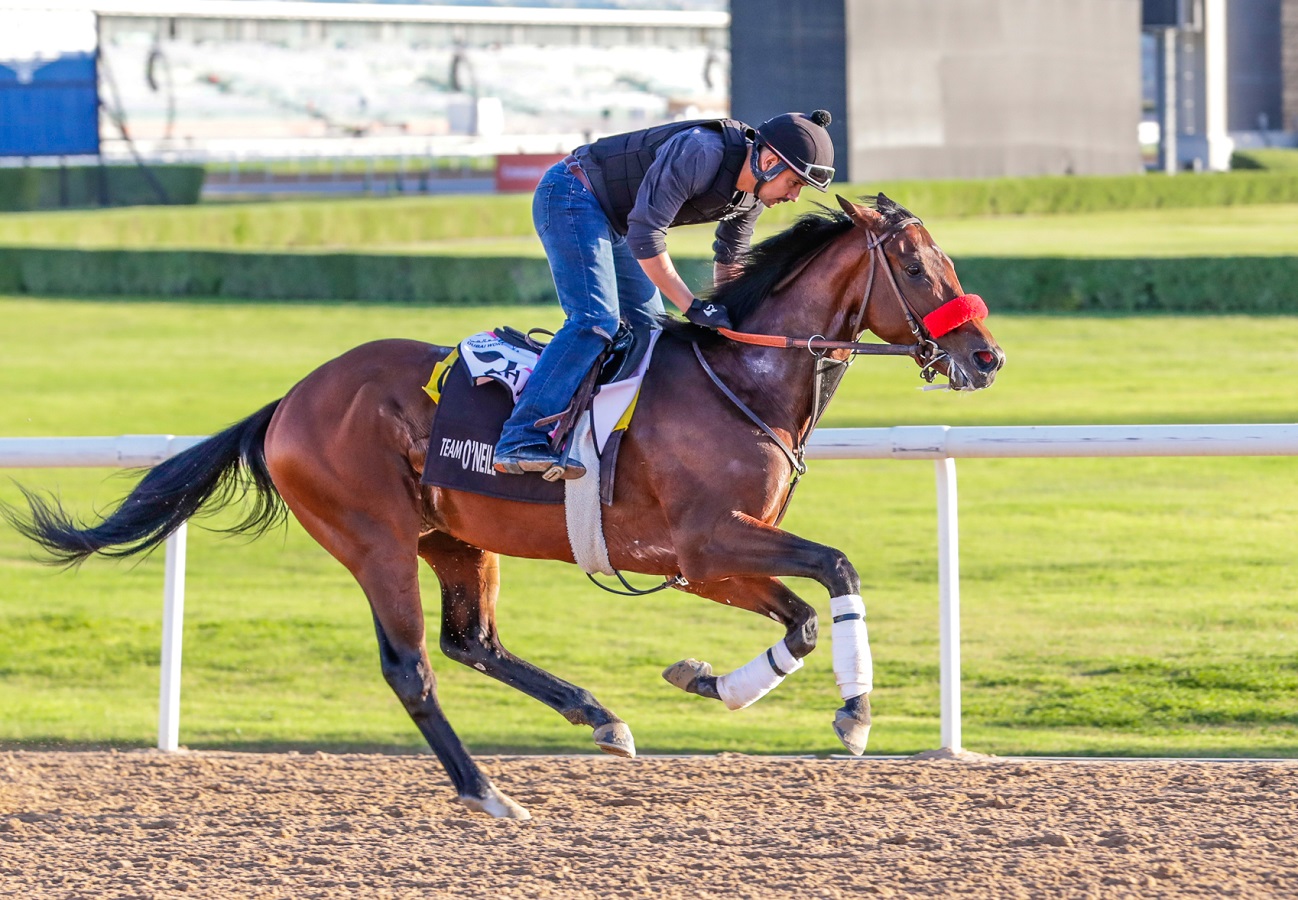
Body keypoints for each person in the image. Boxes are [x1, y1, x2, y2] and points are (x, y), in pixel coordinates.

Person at [493, 109, 837, 479]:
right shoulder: (701, 152)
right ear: (769, 162)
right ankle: (520, 437)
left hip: (618, 220)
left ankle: (605, 439)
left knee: (651, 334)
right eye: (795, 183)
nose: (795, 197)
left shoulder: (751, 196)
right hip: (571, 195)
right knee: (595, 322)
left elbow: (731, 258)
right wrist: (692, 306)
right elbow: (646, 236)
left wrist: (731, 316)